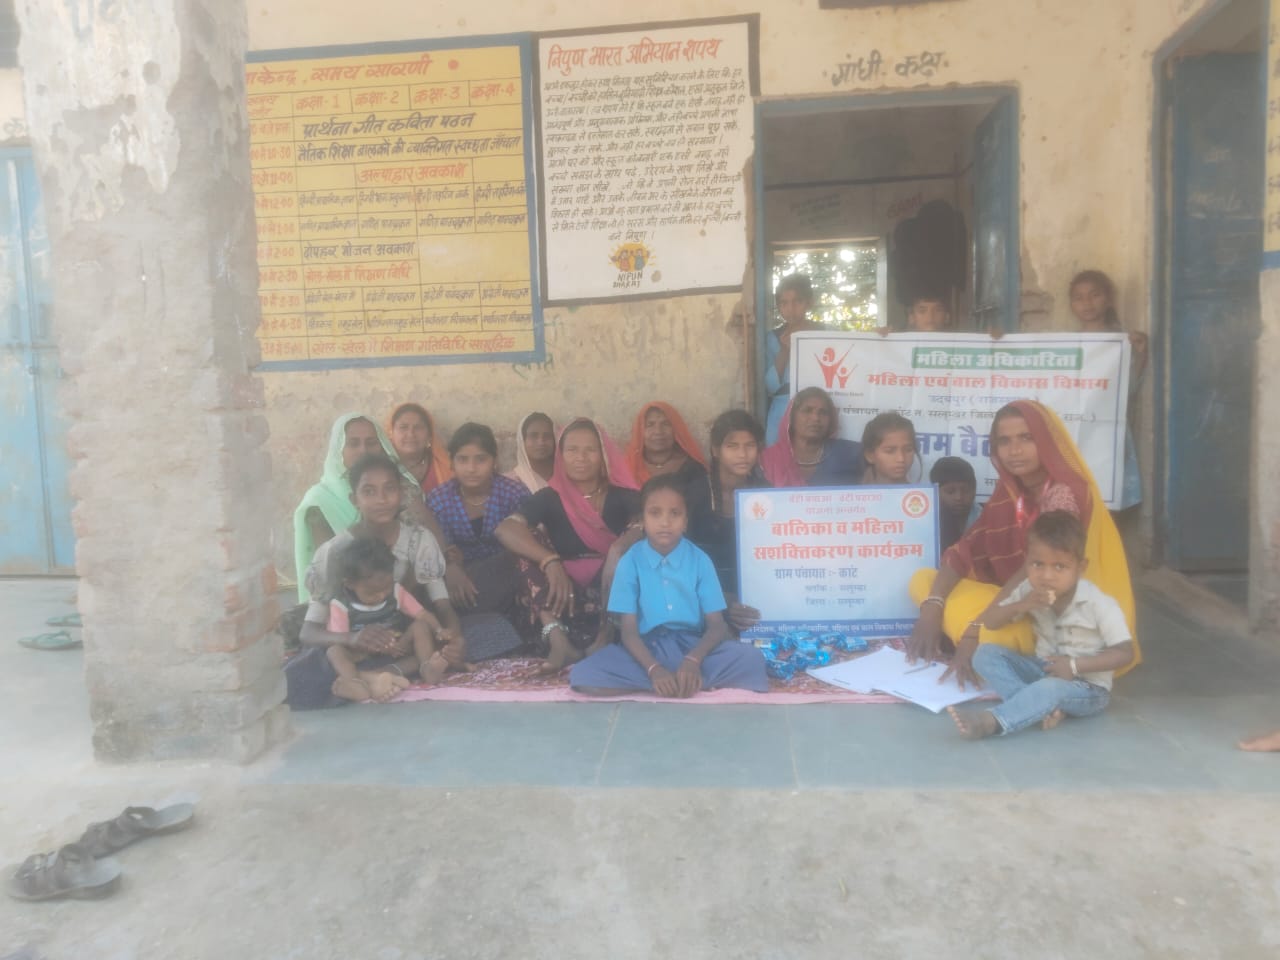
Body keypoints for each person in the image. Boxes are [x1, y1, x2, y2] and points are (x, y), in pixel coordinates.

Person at [906, 400, 1138, 689]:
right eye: (1004, 441)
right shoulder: (1009, 491)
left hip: (1056, 619)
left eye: (1026, 438)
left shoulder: (1064, 495)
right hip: (1015, 601)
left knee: (991, 636)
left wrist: (975, 630)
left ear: (1047, 441)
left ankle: (973, 637)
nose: (1014, 450)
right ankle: (964, 628)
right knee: (923, 581)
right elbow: (968, 549)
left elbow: (1037, 570)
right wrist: (933, 606)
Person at [303, 453, 520, 664]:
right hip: (356, 647)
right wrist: (352, 638)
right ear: (354, 500)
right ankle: (377, 673)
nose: (382, 499)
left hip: (407, 639)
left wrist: (454, 639)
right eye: (369, 491)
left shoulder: (419, 540)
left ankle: (399, 669)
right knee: (320, 661)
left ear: (401, 493)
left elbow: (443, 606)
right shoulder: (334, 552)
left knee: (495, 628)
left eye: (390, 488)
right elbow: (309, 632)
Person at [569, 475, 769, 697]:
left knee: (752, 659)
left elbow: (716, 626)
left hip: (692, 647)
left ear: (685, 521)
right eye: (655, 513)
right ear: (642, 520)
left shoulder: (700, 560)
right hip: (647, 650)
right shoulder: (630, 562)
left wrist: (693, 660)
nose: (665, 522)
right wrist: (654, 670)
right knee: (584, 674)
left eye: (675, 513)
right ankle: (680, 682)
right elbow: (629, 632)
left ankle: (680, 679)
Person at [947, 511, 1135, 739]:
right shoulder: (1029, 589)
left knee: (1050, 688)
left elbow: (1125, 653)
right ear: (1027, 563)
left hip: (1087, 687)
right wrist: (1022, 605)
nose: (1047, 576)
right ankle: (1041, 708)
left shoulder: (1099, 603)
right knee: (984, 655)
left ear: (1081, 567)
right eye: (1037, 564)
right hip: (1043, 670)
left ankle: (993, 722)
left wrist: (1074, 666)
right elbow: (991, 622)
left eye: (1059, 567)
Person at [495, 418, 641, 674]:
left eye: (590, 450)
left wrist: (618, 549)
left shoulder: (623, 495)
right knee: (526, 542)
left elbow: (649, 525)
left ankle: (606, 635)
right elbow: (505, 529)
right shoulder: (549, 496)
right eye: (572, 450)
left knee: (635, 547)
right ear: (560, 456)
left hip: (610, 589)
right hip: (563, 594)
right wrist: (549, 561)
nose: (580, 458)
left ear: (603, 455)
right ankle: (559, 641)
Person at [285, 537, 456, 710]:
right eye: (371, 593)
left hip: (397, 647)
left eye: (386, 589)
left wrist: (438, 629)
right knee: (334, 651)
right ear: (349, 584)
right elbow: (341, 639)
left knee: (420, 628)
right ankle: (356, 682)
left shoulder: (396, 592)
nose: (381, 595)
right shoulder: (341, 605)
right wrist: (365, 644)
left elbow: (422, 614)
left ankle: (426, 668)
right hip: (361, 653)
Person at [292, 413, 417, 602]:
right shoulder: (320, 501)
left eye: (371, 443)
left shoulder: (398, 487)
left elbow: (425, 539)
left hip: (405, 592)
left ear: (382, 447)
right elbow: (330, 570)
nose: (363, 450)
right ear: (339, 450)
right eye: (353, 443)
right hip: (347, 601)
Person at [427, 422, 529, 615]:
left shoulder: (513, 493)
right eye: (463, 460)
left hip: (508, 572)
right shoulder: (439, 500)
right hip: (460, 577)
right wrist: (451, 568)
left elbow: (527, 542)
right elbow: (439, 546)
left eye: (481, 459)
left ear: (494, 461)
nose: (471, 468)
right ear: (451, 462)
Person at [1069, 269, 1146, 511]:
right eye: (1079, 297)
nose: (1087, 303)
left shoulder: (1122, 343)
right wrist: (997, 344)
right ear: (1071, 305)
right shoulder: (1065, 343)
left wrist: (1140, 354)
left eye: (1095, 295)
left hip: (1107, 431)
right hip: (1074, 429)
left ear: (1109, 299)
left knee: (1106, 497)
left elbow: (1129, 388)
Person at [687, 409, 769, 599]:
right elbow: (682, 557)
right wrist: (720, 599)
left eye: (750, 445)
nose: (742, 454)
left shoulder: (766, 493)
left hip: (755, 591)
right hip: (703, 593)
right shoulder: (695, 494)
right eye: (732, 446)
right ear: (716, 450)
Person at [760, 387, 864, 487]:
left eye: (823, 412)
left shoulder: (849, 453)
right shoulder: (769, 459)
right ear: (791, 417)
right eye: (807, 410)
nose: (815, 418)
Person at [764, 274, 819, 444]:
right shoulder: (773, 338)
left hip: (819, 407)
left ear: (809, 302)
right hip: (783, 410)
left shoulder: (828, 333)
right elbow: (770, 387)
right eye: (784, 303)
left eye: (798, 301)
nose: (791, 308)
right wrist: (785, 350)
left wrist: (879, 338)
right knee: (779, 455)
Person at [624, 400, 708, 490]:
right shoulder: (628, 469)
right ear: (639, 431)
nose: (658, 431)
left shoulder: (693, 469)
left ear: (676, 430)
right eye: (650, 425)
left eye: (665, 424)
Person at [388, 402, 452, 495]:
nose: (411, 434)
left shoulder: (445, 469)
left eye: (418, 427)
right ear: (391, 433)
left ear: (429, 436)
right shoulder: (379, 466)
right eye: (403, 427)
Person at [930, 456, 980, 552]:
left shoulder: (985, 518)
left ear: (974, 489)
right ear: (935, 491)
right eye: (950, 491)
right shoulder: (926, 521)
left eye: (966, 490)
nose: (959, 497)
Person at [860, 412, 917, 484]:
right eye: (889, 451)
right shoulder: (853, 491)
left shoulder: (922, 491)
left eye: (908, 450)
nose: (901, 459)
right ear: (870, 456)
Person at [507, 412, 555, 493]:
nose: (541, 442)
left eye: (547, 436)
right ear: (522, 441)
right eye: (533, 436)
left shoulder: (566, 477)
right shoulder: (510, 483)